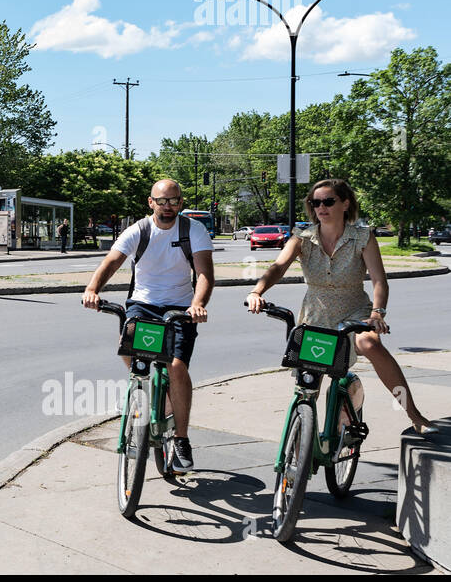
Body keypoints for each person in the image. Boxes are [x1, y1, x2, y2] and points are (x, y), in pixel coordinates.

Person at [247, 178, 437, 433]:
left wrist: (377, 313)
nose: (321, 207)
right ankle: (302, 447)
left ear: (345, 203)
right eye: (316, 203)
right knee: (307, 387)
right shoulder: (302, 238)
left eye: (328, 201)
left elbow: (379, 280)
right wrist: (256, 291)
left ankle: (414, 414)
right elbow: (278, 267)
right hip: (316, 313)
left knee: (368, 343)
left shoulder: (362, 237)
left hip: (355, 309)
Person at [82, 179, 215, 471]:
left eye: (174, 201)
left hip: (181, 307)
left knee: (177, 366)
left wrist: (198, 303)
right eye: (162, 201)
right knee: (129, 347)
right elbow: (110, 263)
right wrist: (93, 289)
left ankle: (181, 438)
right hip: (143, 303)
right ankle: (141, 389)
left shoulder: (193, 230)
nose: (168, 207)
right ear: (150, 202)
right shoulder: (139, 230)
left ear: (181, 202)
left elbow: (204, 273)